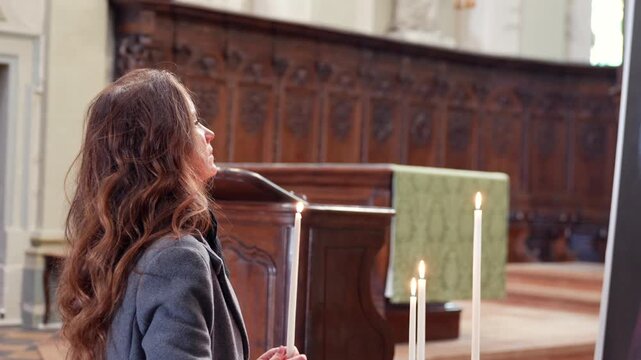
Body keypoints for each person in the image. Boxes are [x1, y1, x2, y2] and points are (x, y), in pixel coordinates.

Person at [57, 68, 306, 360]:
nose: (209, 133)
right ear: (166, 147)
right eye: (194, 122)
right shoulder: (177, 258)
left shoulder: (121, 246)